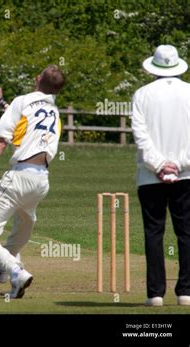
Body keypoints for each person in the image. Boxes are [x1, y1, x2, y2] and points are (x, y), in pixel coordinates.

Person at [0, 65, 65, 298]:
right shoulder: (54, 110)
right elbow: (26, 122)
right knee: (22, 226)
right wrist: (2, 103)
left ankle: (16, 270)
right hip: (41, 181)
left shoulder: (23, 101)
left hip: (19, 176)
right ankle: (9, 272)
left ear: (37, 78)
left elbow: (2, 141)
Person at [131, 44, 190, 307]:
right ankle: (185, 292)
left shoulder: (141, 94)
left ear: (153, 67)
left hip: (149, 176)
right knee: (186, 232)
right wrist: (177, 164)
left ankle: (155, 294)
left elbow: (140, 136)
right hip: (186, 174)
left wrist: (159, 165)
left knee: (154, 233)